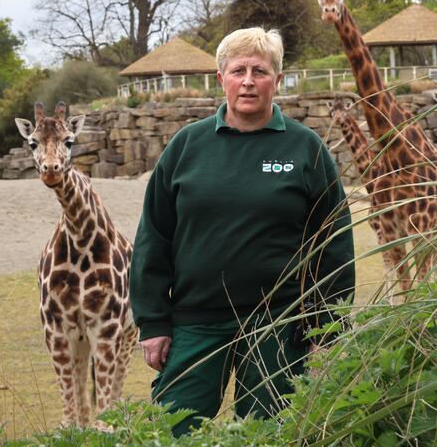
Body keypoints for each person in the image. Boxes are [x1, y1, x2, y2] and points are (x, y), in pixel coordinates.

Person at [130, 27, 355, 436]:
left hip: (277, 325)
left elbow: (333, 243)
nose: (248, 81)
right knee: (171, 432)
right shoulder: (186, 147)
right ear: (221, 79)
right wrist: (153, 323)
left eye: (260, 71)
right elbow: (153, 238)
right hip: (195, 321)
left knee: (269, 436)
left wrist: (328, 327)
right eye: (238, 70)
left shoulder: (305, 149)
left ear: (278, 80)